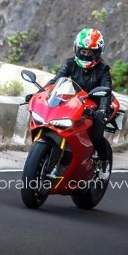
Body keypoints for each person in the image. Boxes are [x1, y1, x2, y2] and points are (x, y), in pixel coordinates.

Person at [46, 27, 113, 178]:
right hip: (75, 103)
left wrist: (102, 110)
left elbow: (106, 91)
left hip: (95, 107)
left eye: (90, 52)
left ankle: (103, 162)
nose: (86, 55)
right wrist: (41, 93)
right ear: (76, 49)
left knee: (96, 136)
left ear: (98, 52)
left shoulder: (103, 70)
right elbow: (56, 81)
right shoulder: (70, 64)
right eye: (83, 51)